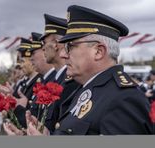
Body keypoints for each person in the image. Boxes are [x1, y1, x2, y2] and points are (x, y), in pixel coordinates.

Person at [27, 5, 153, 135]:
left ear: (98, 51)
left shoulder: (124, 99)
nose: (63, 54)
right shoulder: (86, 89)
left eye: (70, 46)